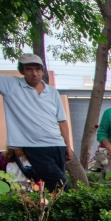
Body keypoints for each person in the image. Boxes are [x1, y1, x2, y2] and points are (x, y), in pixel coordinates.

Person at [0, 53, 72, 190]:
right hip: (34, 146)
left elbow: (62, 121)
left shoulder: (52, 92)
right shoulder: (11, 85)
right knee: (61, 186)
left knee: (51, 188)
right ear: (22, 71)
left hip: (57, 145)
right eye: (29, 69)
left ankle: (48, 211)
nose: (34, 73)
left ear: (43, 70)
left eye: (38, 69)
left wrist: (67, 145)